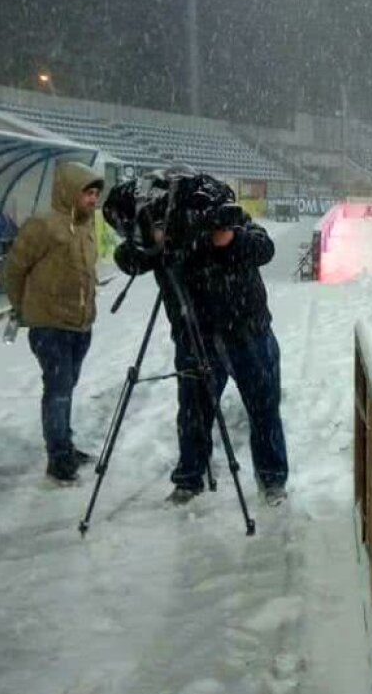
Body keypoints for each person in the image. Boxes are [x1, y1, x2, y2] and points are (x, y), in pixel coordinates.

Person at [111, 168, 289, 504]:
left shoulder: (228, 218)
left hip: (247, 331)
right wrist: (152, 242)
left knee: (264, 410)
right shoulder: (164, 228)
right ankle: (189, 478)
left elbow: (264, 249)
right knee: (193, 413)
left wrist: (228, 239)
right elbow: (127, 260)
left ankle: (272, 480)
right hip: (194, 335)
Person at [4, 162, 104, 483]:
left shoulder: (86, 227)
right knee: (58, 390)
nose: (93, 199)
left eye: (95, 193)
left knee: (66, 387)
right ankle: (58, 458)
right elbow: (14, 270)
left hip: (80, 325)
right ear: (69, 192)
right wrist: (22, 307)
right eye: (87, 193)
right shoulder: (43, 226)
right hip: (50, 326)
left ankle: (65, 444)